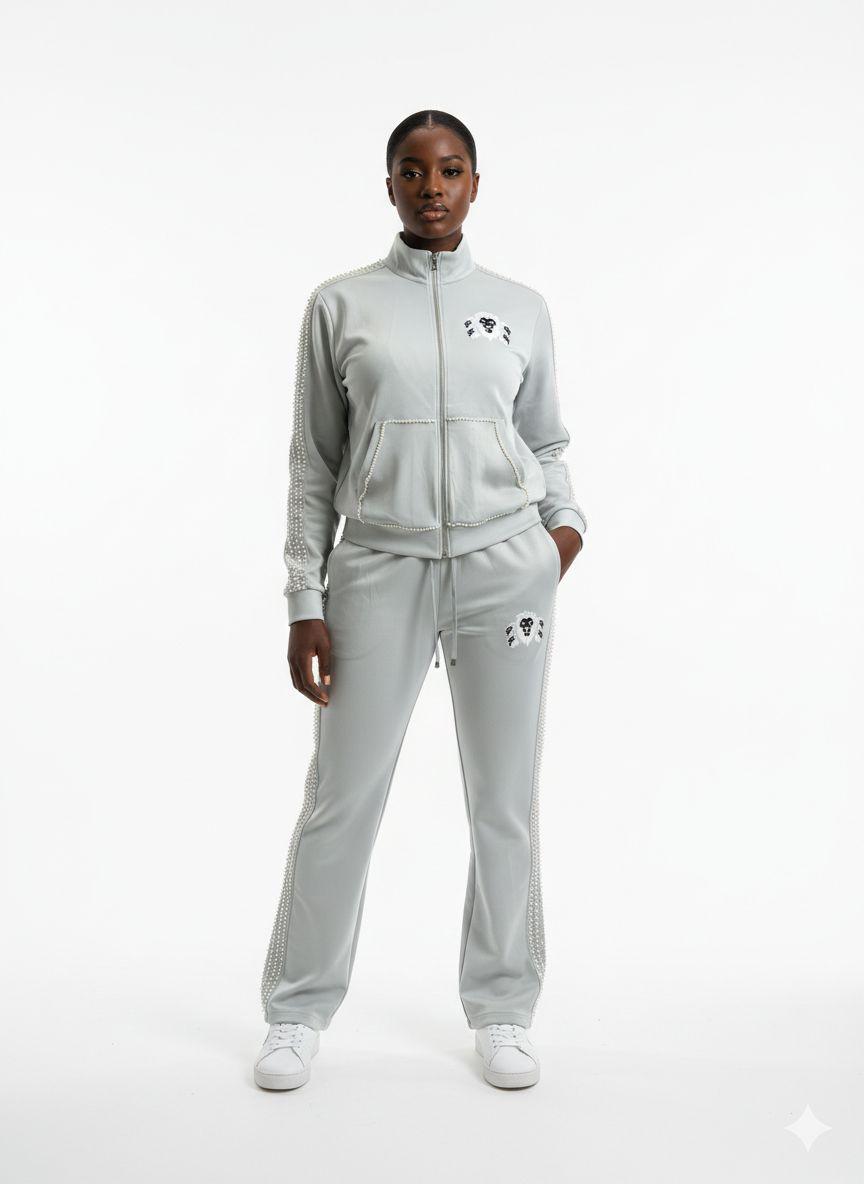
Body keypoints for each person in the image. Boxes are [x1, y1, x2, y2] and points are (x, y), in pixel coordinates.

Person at [254, 109, 587, 1092]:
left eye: (449, 170)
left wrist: (560, 535)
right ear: (390, 184)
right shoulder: (341, 305)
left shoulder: (520, 306)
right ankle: (296, 1010)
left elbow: (547, 440)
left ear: (475, 183)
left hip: (503, 570)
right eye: (412, 170)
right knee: (340, 798)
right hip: (377, 571)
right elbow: (313, 463)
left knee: (504, 799)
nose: (432, 187)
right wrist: (304, 597)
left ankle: (503, 1006)